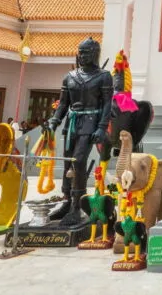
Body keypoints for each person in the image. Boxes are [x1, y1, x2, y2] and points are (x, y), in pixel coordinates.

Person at [45, 37, 113, 224]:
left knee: (80, 160)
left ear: (95, 54)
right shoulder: (70, 77)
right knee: (67, 162)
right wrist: (54, 120)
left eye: (86, 53)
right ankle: (66, 201)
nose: (82, 56)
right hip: (72, 123)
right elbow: (63, 104)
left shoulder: (104, 76)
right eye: (80, 52)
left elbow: (108, 103)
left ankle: (77, 205)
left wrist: (101, 127)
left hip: (90, 123)